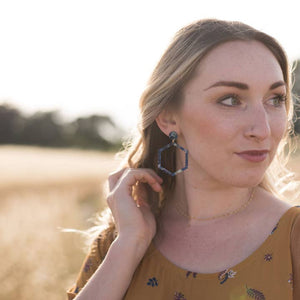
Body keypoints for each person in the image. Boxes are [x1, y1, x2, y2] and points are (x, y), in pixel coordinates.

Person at [67, 19, 300, 299]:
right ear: (168, 117)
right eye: (230, 100)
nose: (262, 130)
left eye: (275, 99)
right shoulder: (120, 239)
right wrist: (130, 244)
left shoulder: (292, 239)